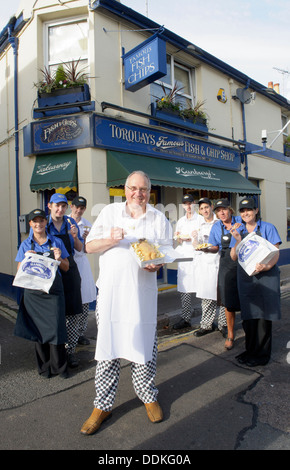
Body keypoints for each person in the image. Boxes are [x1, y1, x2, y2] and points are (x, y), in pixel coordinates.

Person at [80, 171, 172, 435]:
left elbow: (165, 252)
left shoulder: (158, 218)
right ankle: (103, 405)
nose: (138, 194)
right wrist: (111, 238)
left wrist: (159, 264)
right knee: (108, 350)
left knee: (145, 348)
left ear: (149, 192)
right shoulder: (110, 212)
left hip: (142, 296)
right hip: (110, 295)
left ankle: (148, 395)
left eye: (143, 189)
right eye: (133, 188)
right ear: (125, 189)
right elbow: (89, 247)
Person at [14, 209, 70, 378]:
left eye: (41, 221)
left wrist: (59, 259)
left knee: (57, 328)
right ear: (30, 224)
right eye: (35, 221)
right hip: (34, 293)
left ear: (46, 223)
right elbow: (18, 271)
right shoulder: (25, 245)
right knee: (39, 329)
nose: (38, 224)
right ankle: (44, 367)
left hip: (53, 291)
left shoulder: (56, 242)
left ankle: (60, 367)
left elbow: (66, 267)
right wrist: (25, 260)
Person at [230, 197, 281, 366]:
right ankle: (250, 351)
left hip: (266, 277)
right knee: (249, 317)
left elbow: (276, 252)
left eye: (249, 210)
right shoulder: (238, 230)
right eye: (243, 211)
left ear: (256, 211)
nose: (246, 213)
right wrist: (238, 240)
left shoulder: (267, 228)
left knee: (263, 318)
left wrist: (266, 266)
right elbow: (233, 256)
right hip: (246, 280)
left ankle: (261, 356)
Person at [47, 193, 83, 368]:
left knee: (73, 312)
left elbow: (80, 248)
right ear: (50, 206)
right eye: (57, 206)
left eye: (63, 206)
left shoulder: (71, 223)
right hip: (51, 270)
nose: (60, 209)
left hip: (71, 268)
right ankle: (56, 350)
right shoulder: (42, 224)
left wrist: (75, 237)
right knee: (54, 312)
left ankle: (70, 351)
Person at [208, 199, 241, 350]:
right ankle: (230, 334)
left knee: (246, 297)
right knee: (228, 301)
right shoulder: (216, 226)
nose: (221, 213)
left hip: (244, 261)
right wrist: (207, 249)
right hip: (226, 264)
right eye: (218, 210)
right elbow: (215, 247)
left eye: (224, 209)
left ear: (230, 210)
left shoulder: (241, 221)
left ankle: (252, 330)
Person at [193, 197, 227, 337]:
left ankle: (223, 324)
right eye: (201, 208)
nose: (204, 210)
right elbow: (198, 244)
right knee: (207, 295)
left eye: (206, 207)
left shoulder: (219, 223)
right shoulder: (200, 225)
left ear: (211, 207)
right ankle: (206, 325)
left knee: (222, 295)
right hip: (205, 264)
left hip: (219, 262)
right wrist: (194, 239)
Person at [69, 196, 96, 346]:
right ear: (71, 207)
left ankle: (80, 333)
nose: (78, 210)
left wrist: (85, 239)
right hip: (68, 262)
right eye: (76, 207)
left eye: (82, 208)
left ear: (84, 209)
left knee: (85, 297)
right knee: (71, 299)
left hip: (82, 262)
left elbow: (88, 248)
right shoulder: (64, 221)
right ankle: (69, 333)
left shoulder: (87, 225)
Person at [172, 194, 201, 329]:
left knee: (202, 288)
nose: (188, 206)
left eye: (190, 203)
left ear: (194, 204)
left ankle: (207, 320)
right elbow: (178, 239)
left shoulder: (200, 219)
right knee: (185, 289)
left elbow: (206, 238)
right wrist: (179, 237)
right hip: (184, 257)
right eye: (185, 204)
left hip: (197, 257)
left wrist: (195, 238)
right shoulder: (181, 221)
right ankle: (186, 318)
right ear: (183, 205)